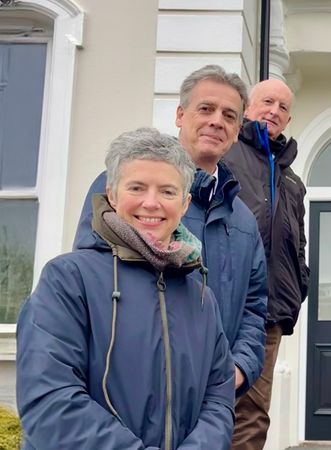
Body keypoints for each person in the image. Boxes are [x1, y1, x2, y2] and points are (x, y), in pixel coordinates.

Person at [17, 128, 234, 449]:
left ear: (185, 204)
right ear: (112, 194)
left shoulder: (201, 295)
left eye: (167, 191)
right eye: (137, 187)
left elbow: (218, 396)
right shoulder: (67, 280)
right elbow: (49, 399)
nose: (151, 203)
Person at [73, 65, 268, 399]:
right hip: (128, 392)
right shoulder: (124, 190)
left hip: (210, 398)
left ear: (237, 131)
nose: (216, 121)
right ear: (180, 115)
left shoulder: (244, 221)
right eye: (205, 109)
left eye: (229, 115)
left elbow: (254, 307)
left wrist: (238, 369)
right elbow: (91, 282)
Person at [223, 78, 309, 449]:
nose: (274, 111)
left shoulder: (291, 181)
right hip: (221, 304)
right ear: (248, 108)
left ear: (288, 119)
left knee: (254, 413)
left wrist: (298, 286)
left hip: (268, 313)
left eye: (283, 107)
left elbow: (297, 245)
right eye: (267, 102)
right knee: (209, 403)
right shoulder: (224, 154)